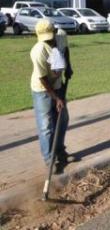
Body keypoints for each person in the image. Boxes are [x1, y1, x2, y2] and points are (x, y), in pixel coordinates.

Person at [30, 20, 71, 173]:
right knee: (46, 125)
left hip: (58, 85)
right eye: (45, 37)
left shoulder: (61, 36)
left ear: (55, 31)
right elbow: (42, 78)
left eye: (50, 36)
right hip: (42, 89)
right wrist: (56, 98)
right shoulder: (38, 51)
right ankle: (49, 159)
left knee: (63, 119)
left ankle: (59, 150)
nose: (49, 39)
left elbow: (65, 50)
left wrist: (69, 67)